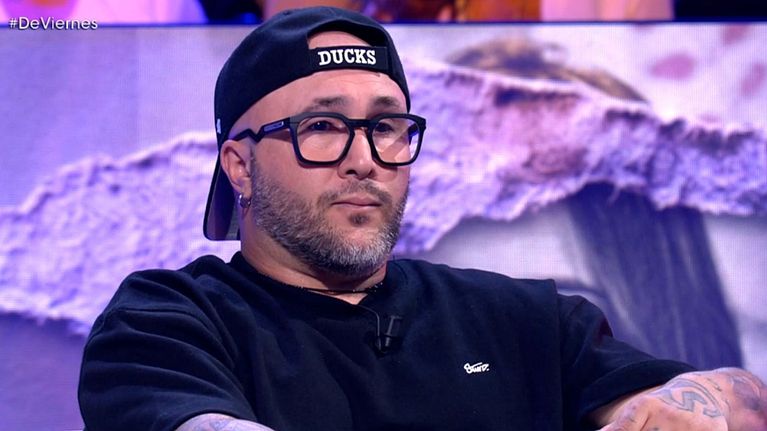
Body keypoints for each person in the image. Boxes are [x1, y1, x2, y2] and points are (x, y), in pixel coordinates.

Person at [77, 6, 766, 431]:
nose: (364, 160)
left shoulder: (517, 316)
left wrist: (693, 398)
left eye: (386, 127)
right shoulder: (165, 322)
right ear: (239, 165)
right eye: (321, 127)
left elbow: (742, 400)